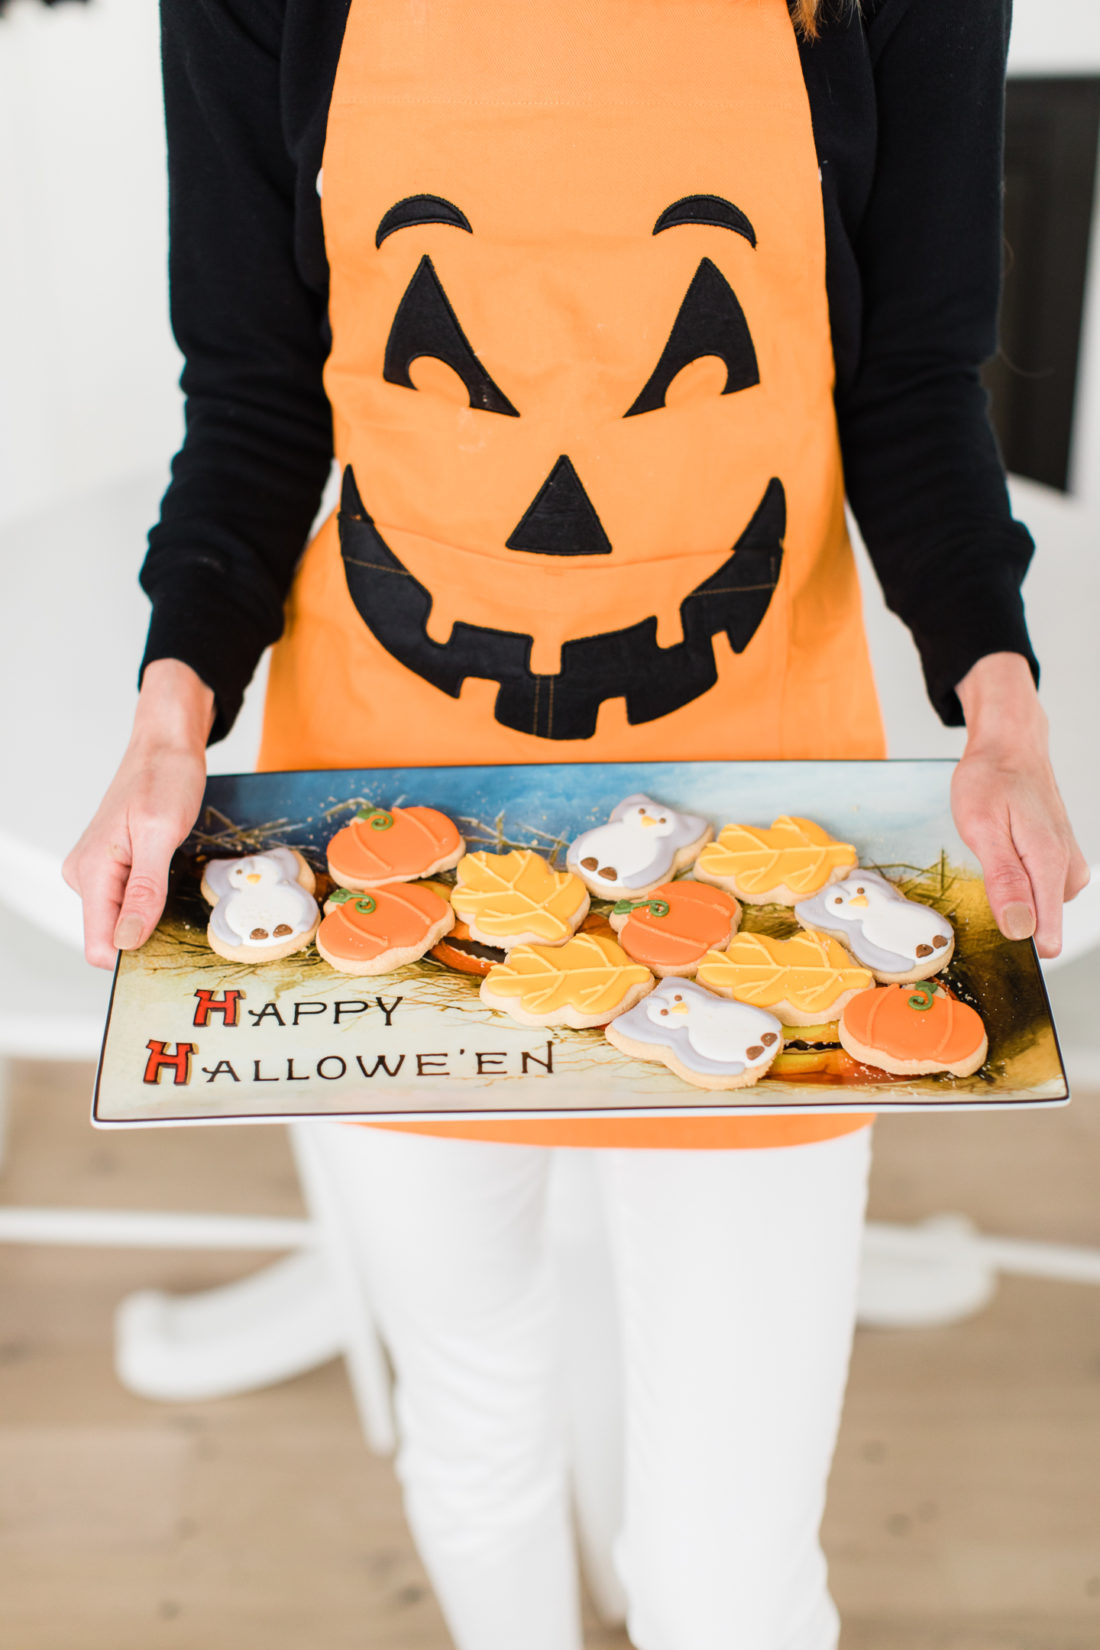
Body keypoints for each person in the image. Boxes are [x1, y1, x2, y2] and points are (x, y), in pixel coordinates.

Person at [65, 0, 1088, 1646]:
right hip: (379, 818)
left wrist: (1004, 709)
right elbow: (260, 395)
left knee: (730, 1577)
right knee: (475, 1414)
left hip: (779, 826)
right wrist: (167, 719)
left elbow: (907, 378)